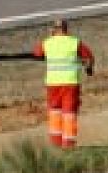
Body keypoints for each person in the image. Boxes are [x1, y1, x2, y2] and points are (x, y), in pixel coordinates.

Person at [32, 18, 95, 148]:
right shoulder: (74, 42)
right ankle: (68, 144)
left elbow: (37, 54)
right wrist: (89, 69)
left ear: (54, 29)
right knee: (69, 113)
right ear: (66, 29)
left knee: (55, 112)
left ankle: (56, 144)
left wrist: (49, 40)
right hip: (70, 84)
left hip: (53, 84)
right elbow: (89, 57)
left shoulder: (47, 43)